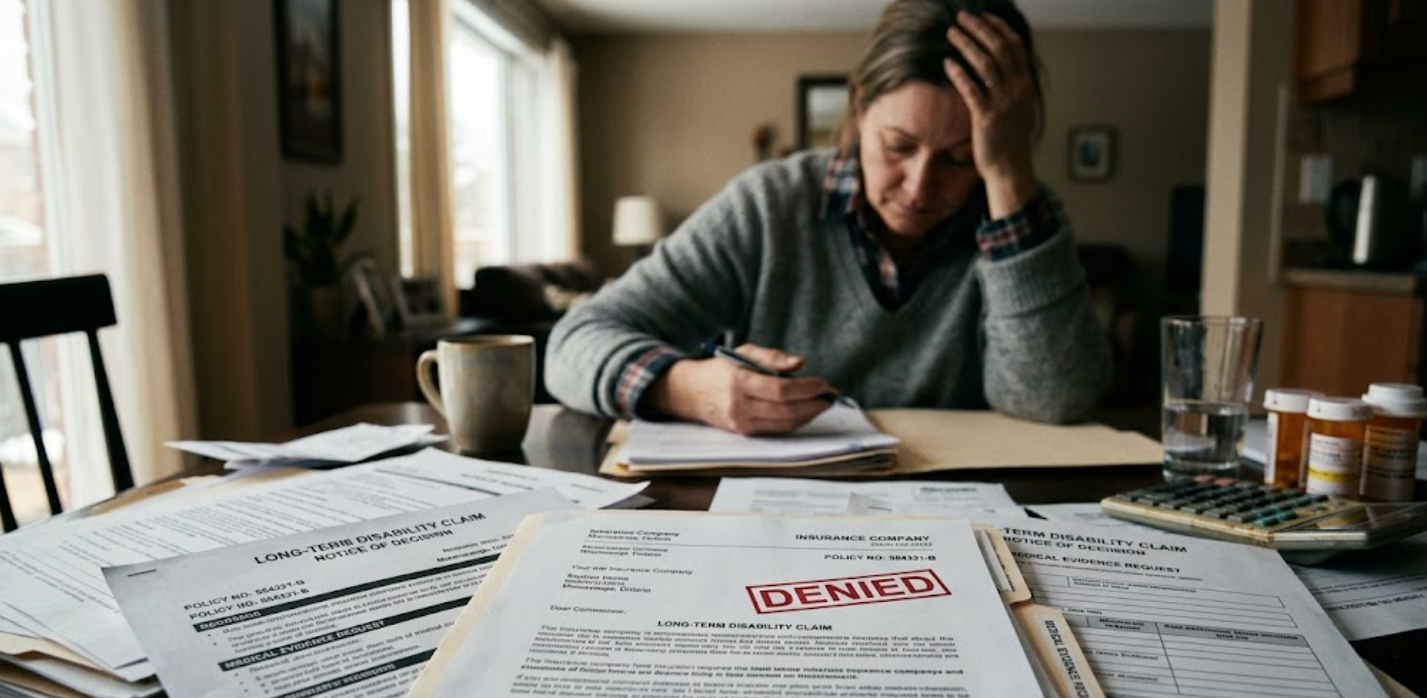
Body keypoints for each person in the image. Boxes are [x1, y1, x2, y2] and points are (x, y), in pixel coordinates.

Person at [546, 0, 1112, 435]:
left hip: (960, 517)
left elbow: (1052, 400)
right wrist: (684, 387)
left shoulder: (1022, 218)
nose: (919, 187)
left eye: (960, 158)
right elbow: (573, 343)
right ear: (860, 107)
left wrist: (1008, 175)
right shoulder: (769, 206)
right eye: (898, 145)